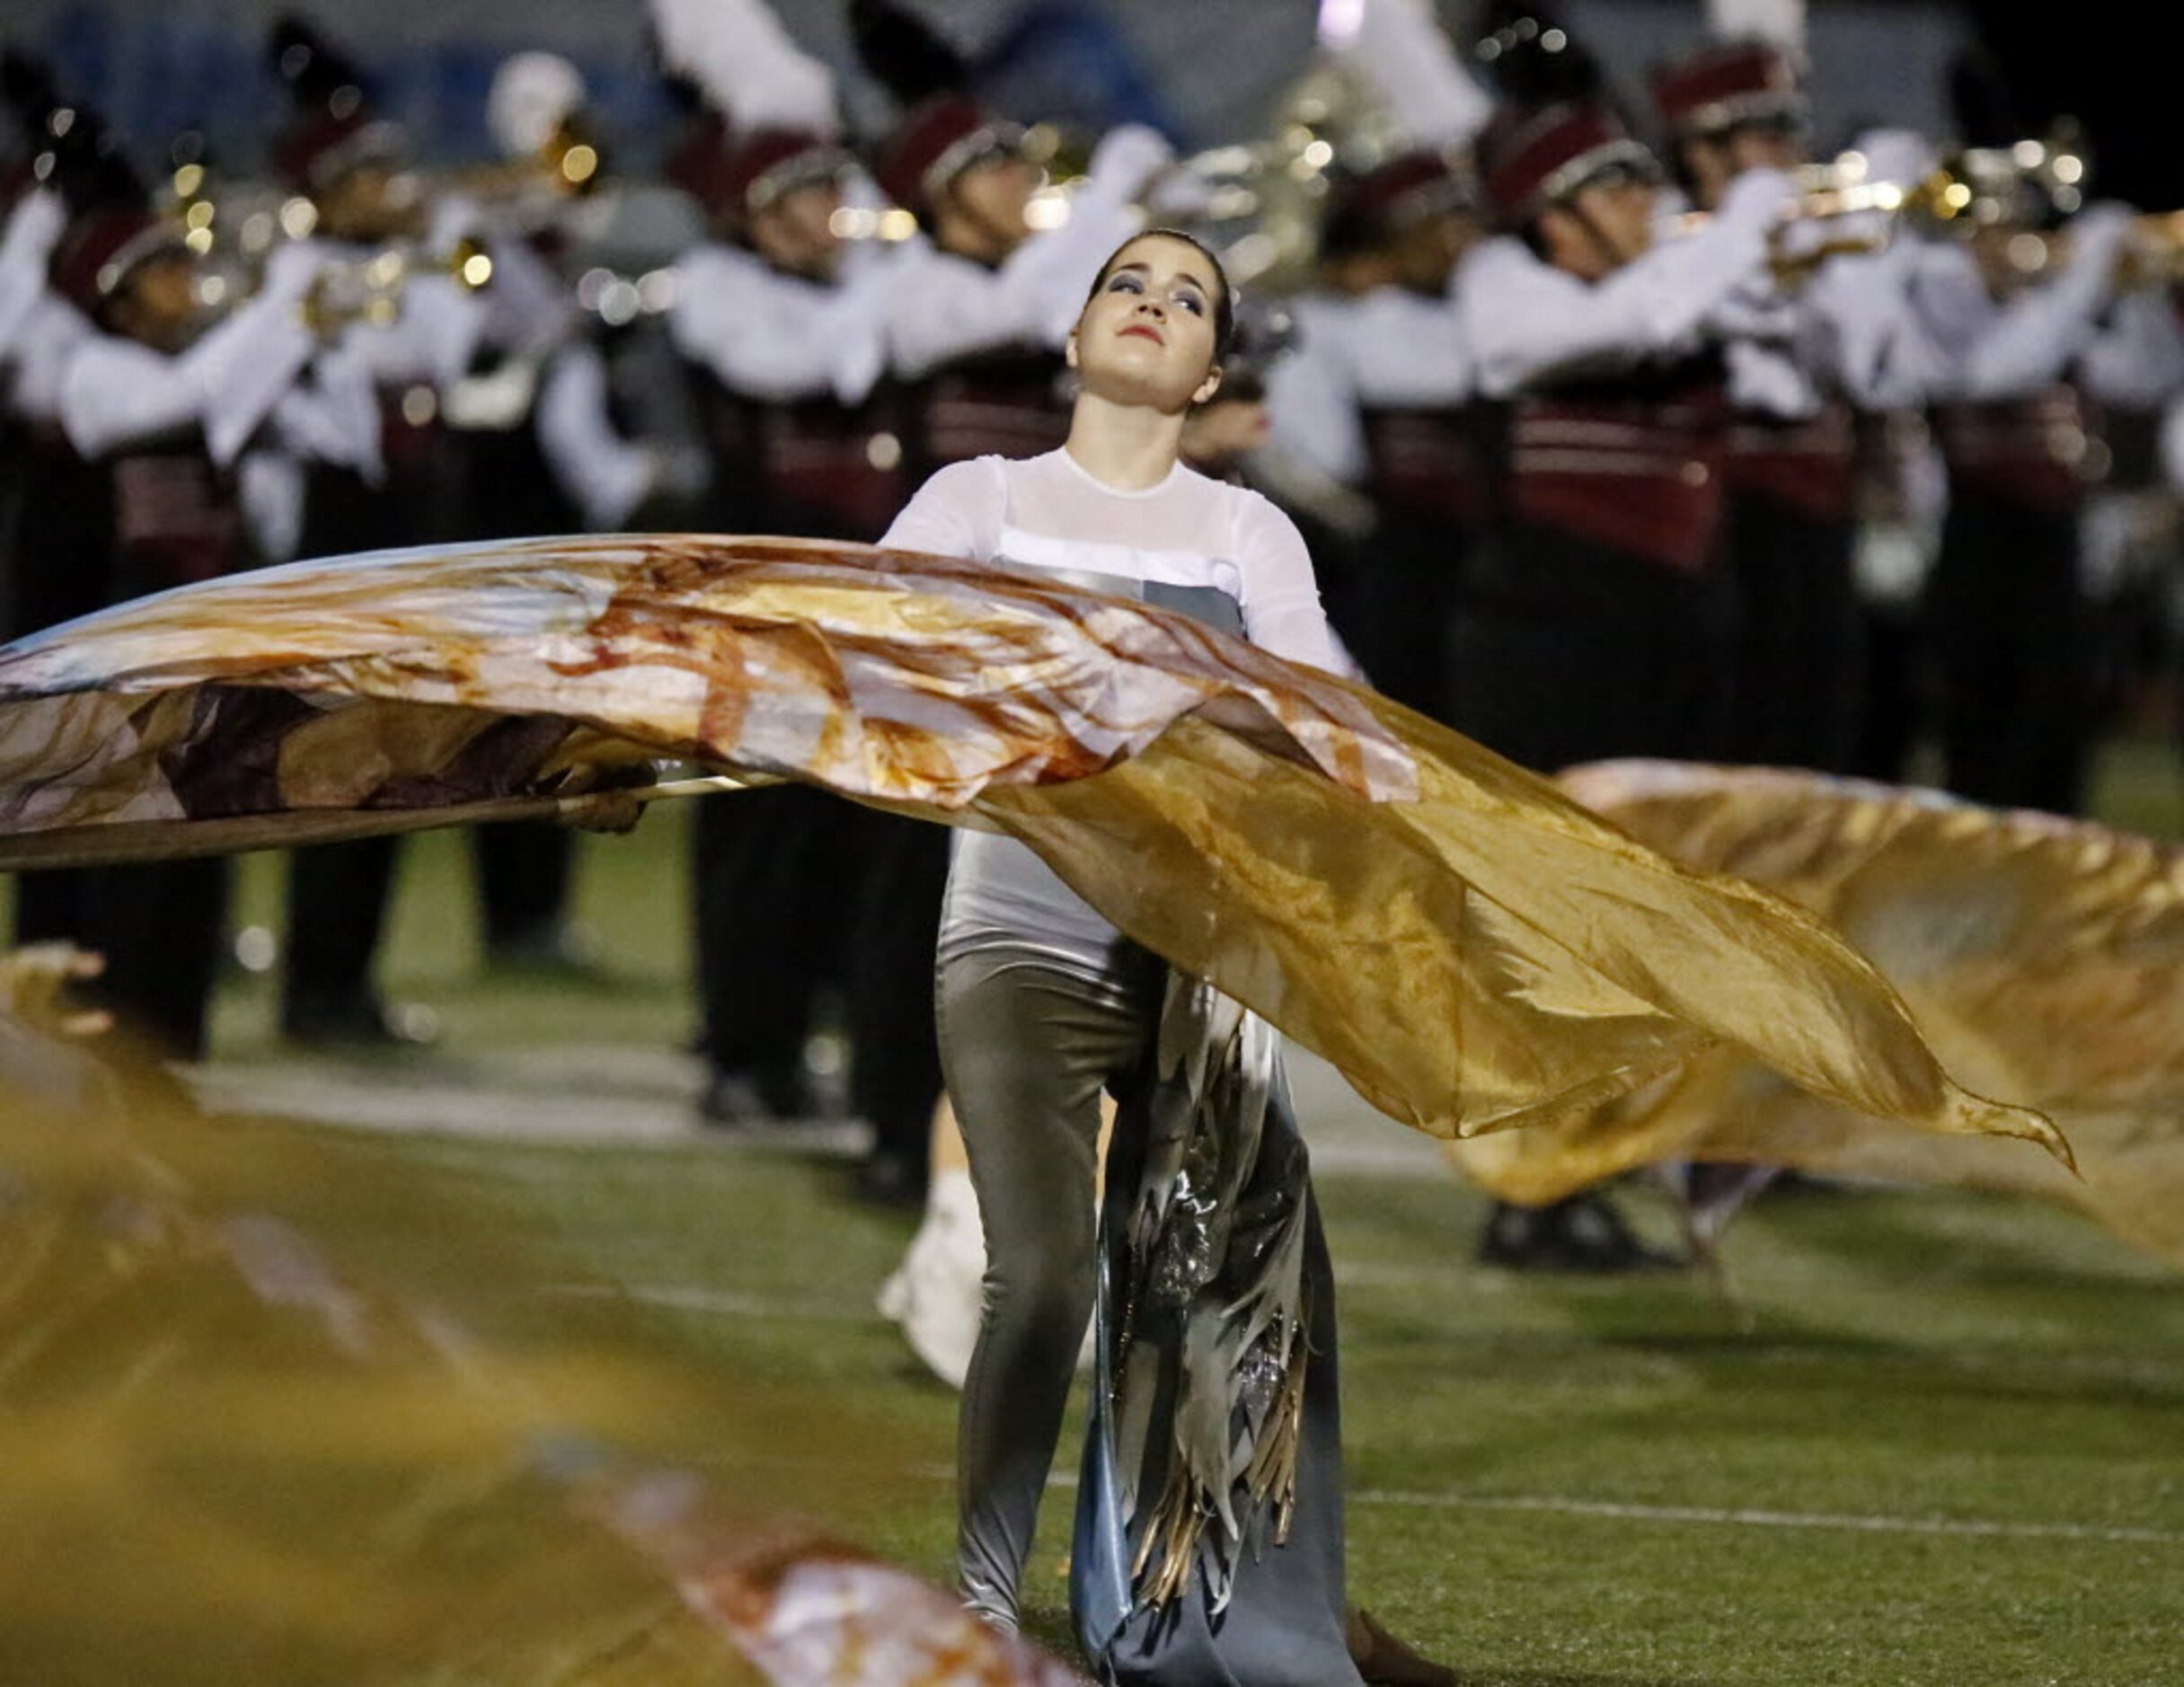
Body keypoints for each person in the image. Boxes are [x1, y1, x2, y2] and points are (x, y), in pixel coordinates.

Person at [882, 226, 1432, 1687]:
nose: (1153, 304)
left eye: (1190, 300)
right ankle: (984, 1598)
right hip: (1020, 939)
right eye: (1130, 283)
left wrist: (1242, 710)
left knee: (1225, 1303)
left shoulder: (1244, 533)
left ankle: (1197, 1609)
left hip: (1202, 969)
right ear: (1075, 335)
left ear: (1208, 373)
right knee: (1047, 1274)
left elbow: (1334, 712)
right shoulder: (979, 499)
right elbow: (854, 653)